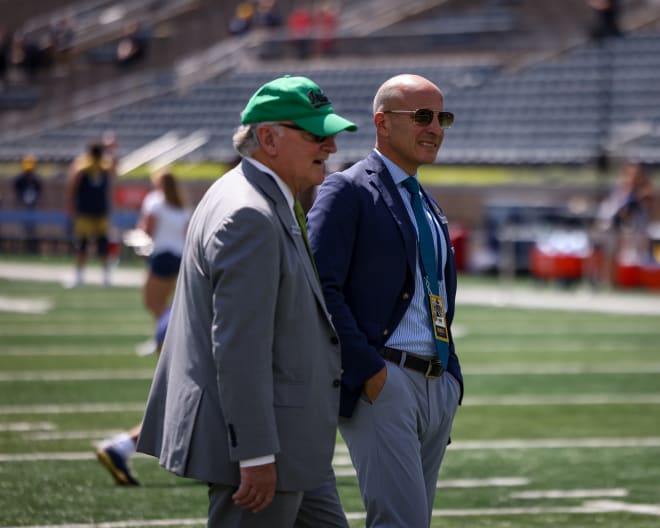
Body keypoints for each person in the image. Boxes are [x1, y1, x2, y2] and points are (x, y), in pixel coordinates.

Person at [137, 75, 357, 527]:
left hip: (292, 444)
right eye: (317, 134)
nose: (331, 146)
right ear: (269, 138)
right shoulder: (249, 213)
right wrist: (255, 452)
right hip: (266, 446)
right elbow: (239, 346)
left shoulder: (252, 195)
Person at [307, 73, 464, 528]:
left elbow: (433, 293)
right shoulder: (348, 189)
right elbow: (321, 287)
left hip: (436, 384)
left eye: (441, 117)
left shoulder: (428, 201)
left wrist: (450, 374)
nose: (434, 127)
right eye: (421, 116)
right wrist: (371, 372)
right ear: (382, 122)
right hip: (385, 379)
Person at [138, 170, 191, 320]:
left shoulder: (154, 202)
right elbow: (187, 235)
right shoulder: (183, 206)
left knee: (153, 303)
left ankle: (165, 334)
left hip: (162, 255)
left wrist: (141, 226)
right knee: (173, 303)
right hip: (180, 258)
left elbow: (149, 229)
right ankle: (164, 335)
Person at [65, 138, 117, 287]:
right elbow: (114, 172)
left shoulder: (83, 167)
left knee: (83, 244)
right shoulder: (102, 167)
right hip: (98, 211)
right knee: (101, 245)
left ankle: (80, 276)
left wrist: (69, 206)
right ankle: (106, 276)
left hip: (85, 212)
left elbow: (72, 186)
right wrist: (112, 151)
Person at [12, 153, 43, 253]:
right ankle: (22, 248)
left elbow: (39, 192)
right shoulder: (19, 179)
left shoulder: (36, 179)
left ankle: (31, 248)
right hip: (22, 207)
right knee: (22, 229)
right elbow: (16, 190)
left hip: (33, 208)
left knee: (31, 228)